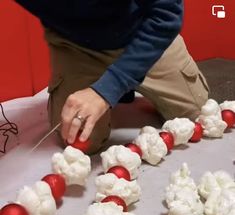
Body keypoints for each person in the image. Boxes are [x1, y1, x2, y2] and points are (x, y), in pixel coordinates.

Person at [15, 0, 209, 154]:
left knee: (200, 117)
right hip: (76, 44)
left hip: (142, 30)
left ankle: (128, 81)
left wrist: (109, 88)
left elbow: (166, 13)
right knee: (79, 140)